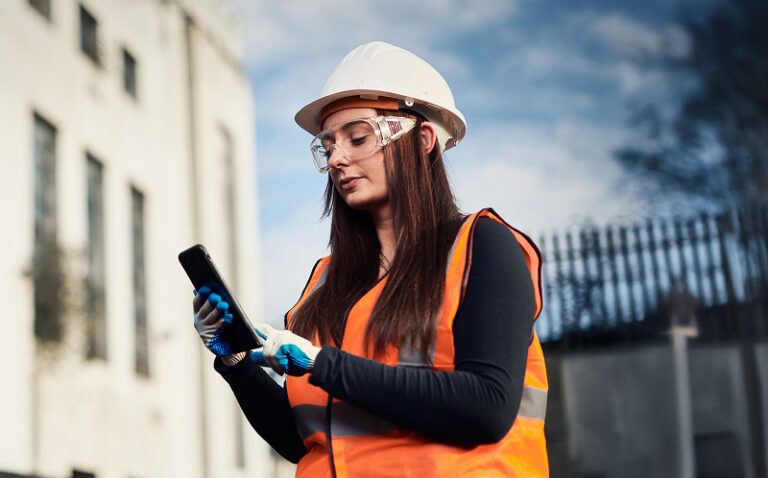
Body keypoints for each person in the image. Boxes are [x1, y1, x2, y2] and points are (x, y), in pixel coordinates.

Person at [193, 41, 548, 477]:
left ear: (422, 140)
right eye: (328, 146)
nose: (338, 158)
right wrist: (237, 360)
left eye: (358, 138)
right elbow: (301, 440)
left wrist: (322, 364)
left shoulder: (482, 246)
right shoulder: (324, 283)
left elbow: (487, 408)